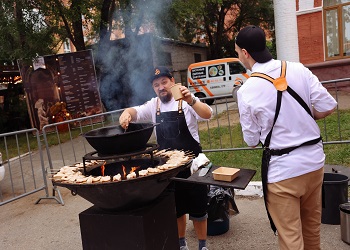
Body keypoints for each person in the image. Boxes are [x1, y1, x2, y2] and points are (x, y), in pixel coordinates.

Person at [234, 25, 337, 249]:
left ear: (245, 53)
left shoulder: (247, 91)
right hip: (314, 164)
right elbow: (329, 106)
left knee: (291, 240)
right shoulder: (298, 69)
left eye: (237, 52)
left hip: (284, 173)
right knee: (312, 233)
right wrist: (300, 118)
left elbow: (251, 142)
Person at [119, 66, 213, 250]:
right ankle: (181, 244)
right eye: (156, 85)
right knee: (176, 209)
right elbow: (135, 112)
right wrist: (126, 113)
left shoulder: (186, 100)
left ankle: (202, 246)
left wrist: (192, 100)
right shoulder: (154, 105)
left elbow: (208, 114)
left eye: (164, 82)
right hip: (168, 168)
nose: (161, 87)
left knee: (199, 209)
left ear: (172, 82)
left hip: (193, 165)